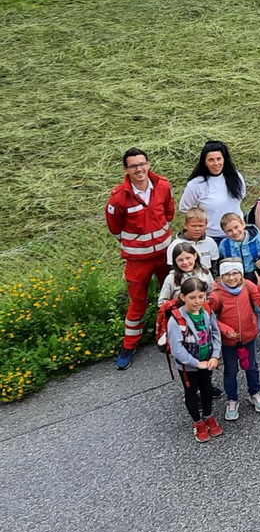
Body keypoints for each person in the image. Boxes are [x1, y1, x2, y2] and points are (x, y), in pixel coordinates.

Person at [106, 147, 175, 369]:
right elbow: (114, 228)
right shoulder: (119, 198)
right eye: (133, 166)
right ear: (126, 170)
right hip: (138, 261)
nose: (139, 169)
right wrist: (137, 243)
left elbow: (169, 212)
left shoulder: (163, 185)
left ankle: (171, 334)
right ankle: (130, 345)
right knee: (137, 303)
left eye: (142, 164)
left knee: (172, 295)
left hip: (165, 255)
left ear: (148, 164)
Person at [208, 260, 260, 421]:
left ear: (241, 274)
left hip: (248, 337)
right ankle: (232, 399)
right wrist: (226, 330)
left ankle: (254, 393)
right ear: (221, 276)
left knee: (251, 367)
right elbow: (210, 317)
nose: (231, 278)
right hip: (229, 342)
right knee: (230, 371)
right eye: (227, 274)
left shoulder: (248, 286)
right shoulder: (216, 295)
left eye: (235, 273)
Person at [167, 277, 223, 443]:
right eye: (192, 297)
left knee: (207, 389)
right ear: (183, 297)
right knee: (191, 392)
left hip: (207, 361)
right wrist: (196, 363)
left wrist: (215, 355)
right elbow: (177, 350)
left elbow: (215, 333)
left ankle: (208, 416)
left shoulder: (206, 311)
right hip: (188, 367)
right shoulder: (175, 319)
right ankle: (198, 422)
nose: (197, 301)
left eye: (201, 297)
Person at [218, 212, 260, 353]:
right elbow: (221, 262)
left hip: (254, 275)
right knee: (242, 308)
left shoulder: (256, 239)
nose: (234, 232)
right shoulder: (224, 246)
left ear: (243, 224)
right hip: (236, 281)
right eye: (229, 231)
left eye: (236, 227)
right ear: (225, 233)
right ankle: (243, 335)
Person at [179, 141, 246, 243]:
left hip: (237, 234)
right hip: (213, 238)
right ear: (204, 162)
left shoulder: (235, 176)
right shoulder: (196, 184)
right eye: (211, 160)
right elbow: (185, 208)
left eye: (219, 159)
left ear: (224, 159)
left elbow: (241, 196)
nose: (216, 164)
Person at [158, 242, 214, 310]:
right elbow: (161, 302)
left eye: (188, 258)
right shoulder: (171, 278)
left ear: (195, 256)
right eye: (180, 260)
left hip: (203, 312)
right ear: (175, 261)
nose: (185, 262)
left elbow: (211, 293)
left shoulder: (205, 272)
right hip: (179, 314)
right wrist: (176, 305)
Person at [168, 207, 219, 273]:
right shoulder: (174, 245)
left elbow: (215, 267)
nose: (197, 229)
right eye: (193, 226)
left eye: (200, 226)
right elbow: (172, 269)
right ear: (186, 225)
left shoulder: (210, 242)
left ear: (206, 225)